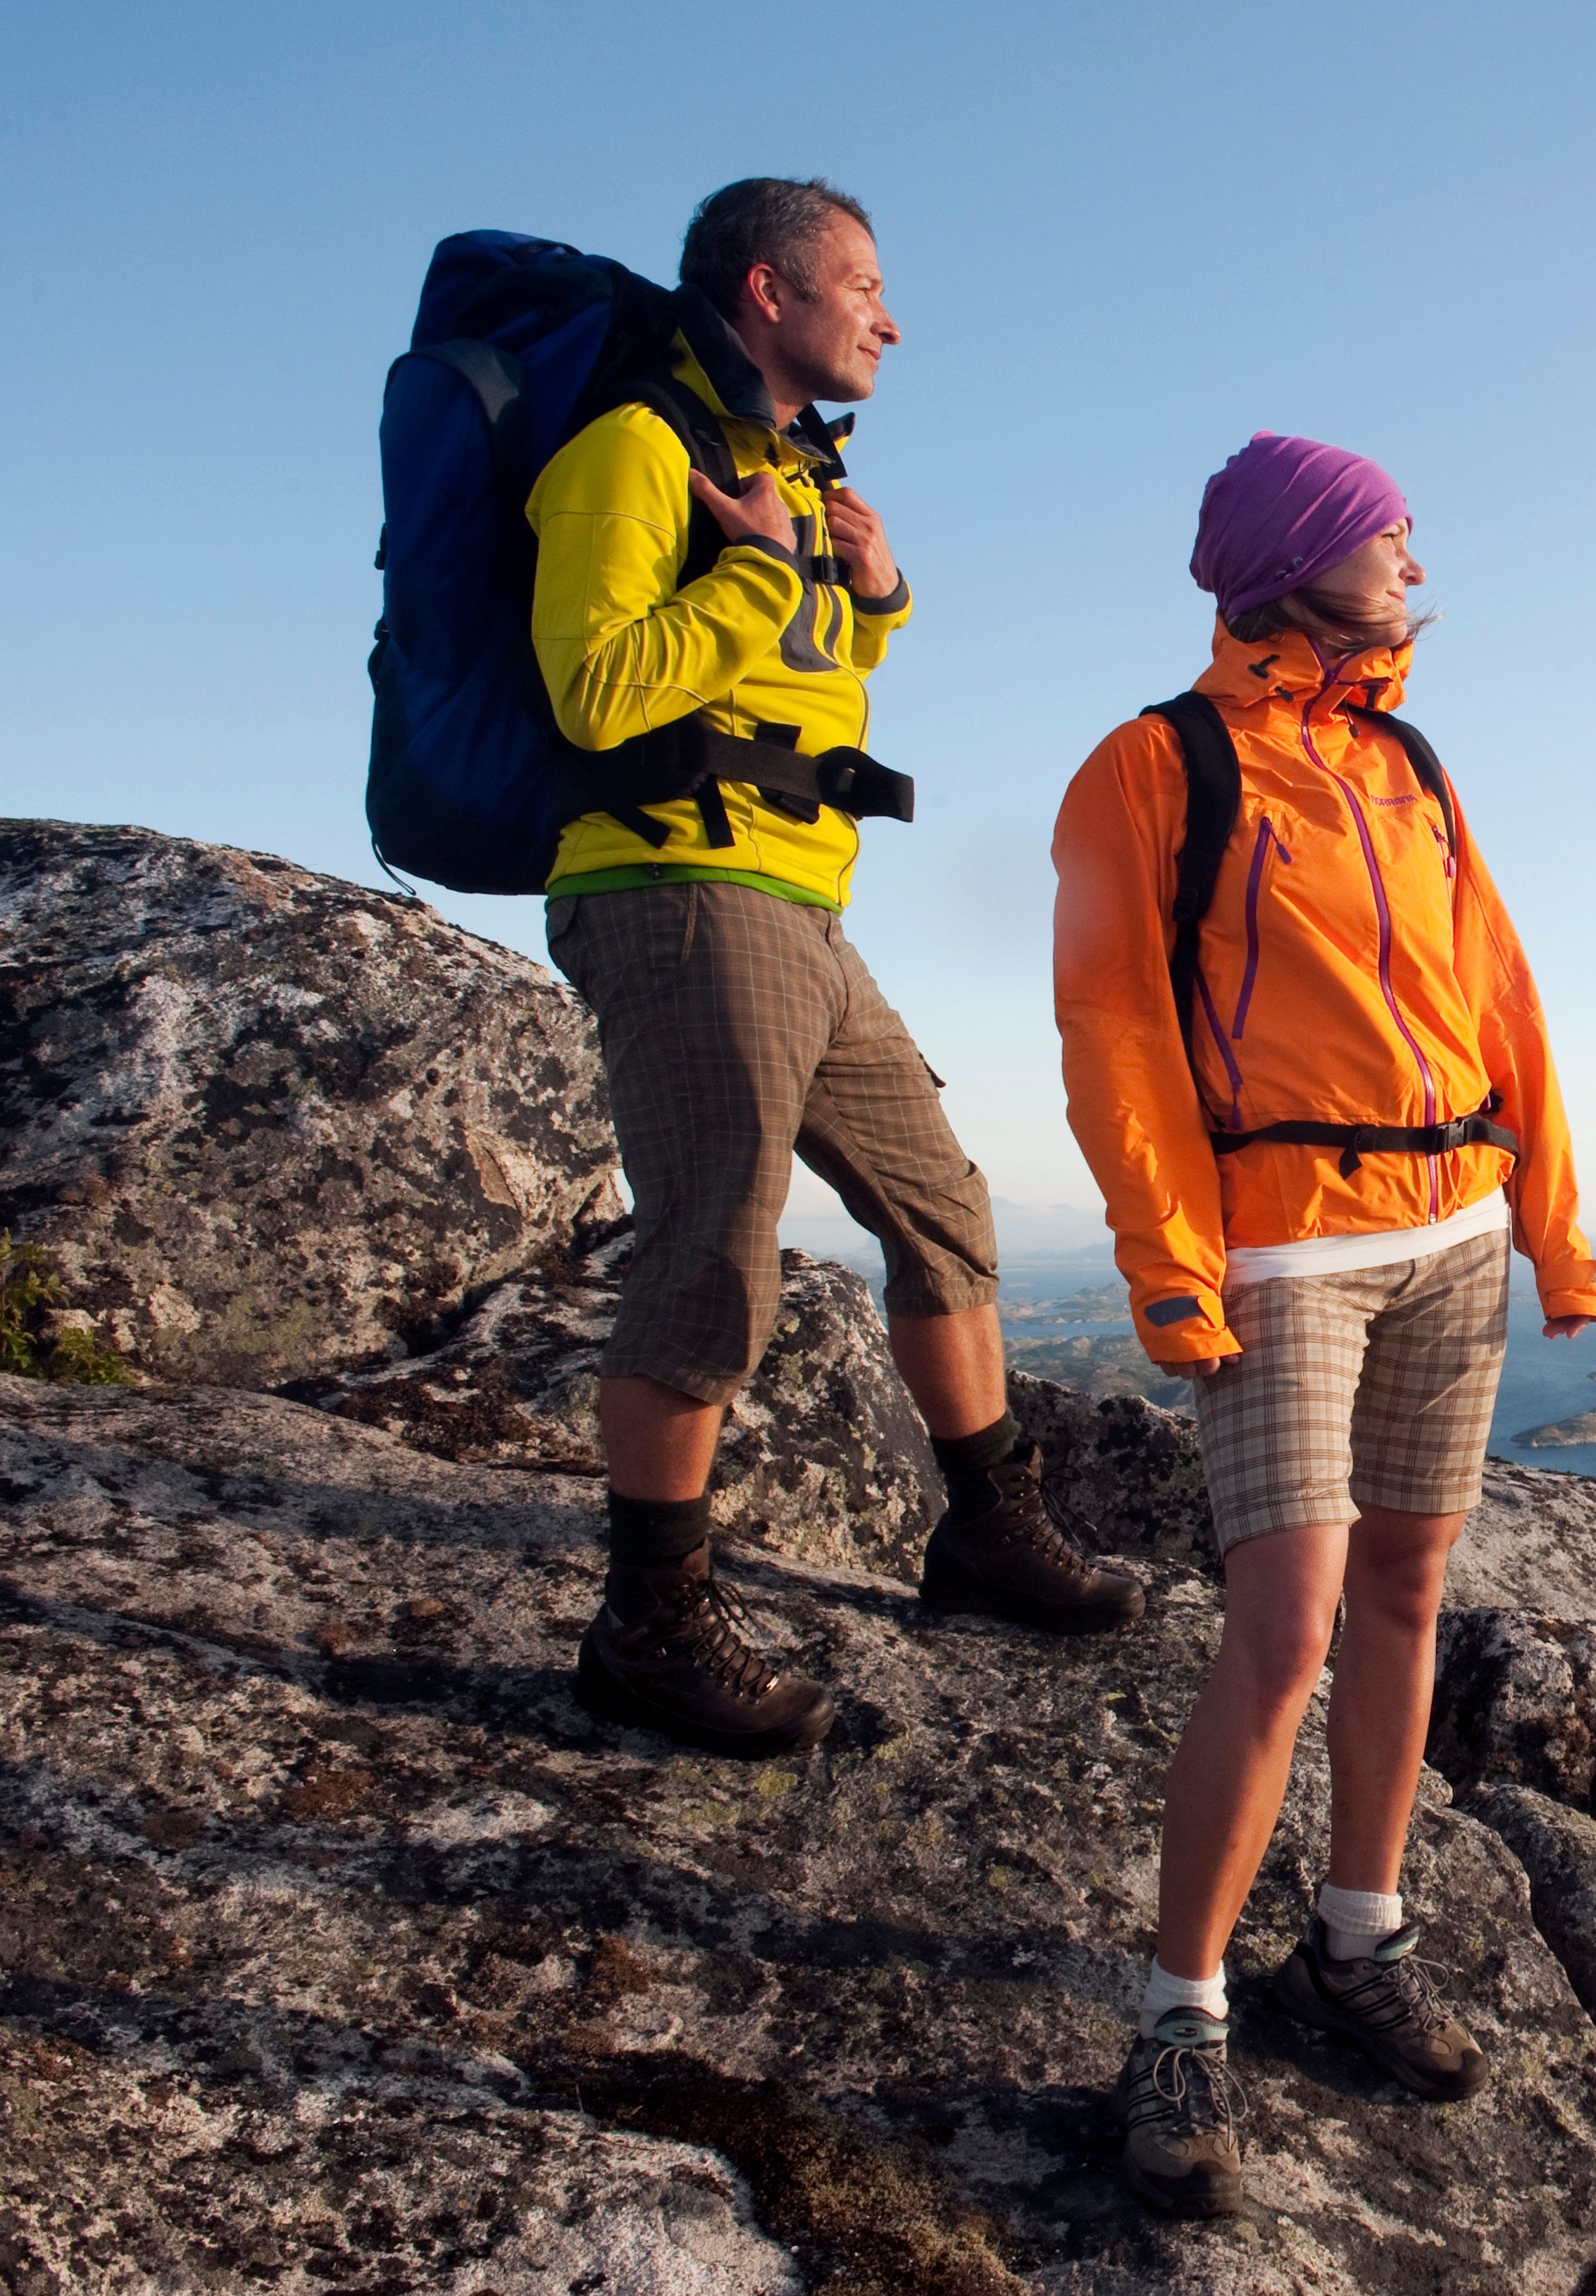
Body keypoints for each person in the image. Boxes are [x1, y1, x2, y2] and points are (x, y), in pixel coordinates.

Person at [1052, 433, 1596, 2216]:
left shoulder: (1406, 757)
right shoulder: (1155, 767)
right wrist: (1167, 1256)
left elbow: (1498, 984)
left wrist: (1551, 1225)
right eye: (1388, 533)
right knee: (1281, 1628)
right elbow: (1116, 1025)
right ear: (1305, 557)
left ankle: (1354, 1938)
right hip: (1282, 1244)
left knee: (1408, 1594)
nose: (1414, 554)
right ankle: (1178, 2013)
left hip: (1450, 1225)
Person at [539, 176, 1142, 1761]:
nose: (890, 314)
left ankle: (988, 1528)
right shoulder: (630, 452)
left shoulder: (789, 478)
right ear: (765, 293)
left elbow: (797, 691)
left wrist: (866, 599)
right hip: (677, 886)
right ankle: (649, 1622)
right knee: (713, 1248)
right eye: (862, 283)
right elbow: (600, 695)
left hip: (795, 903)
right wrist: (757, 572)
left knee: (942, 1202)